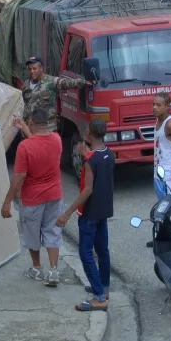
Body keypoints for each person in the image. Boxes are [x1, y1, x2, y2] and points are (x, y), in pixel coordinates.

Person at [56, 118, 113, 312]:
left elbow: (87, 190)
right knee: (103, 251)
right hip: (103, 210)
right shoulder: (107, 154)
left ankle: (99, 297)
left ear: (89, 135)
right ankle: (104, 288)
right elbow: (98, 165)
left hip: (89, 213)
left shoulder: (90, 161)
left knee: (86, 253)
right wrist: (86, 154)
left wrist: (67, 213)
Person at [2, 108, 64, 287]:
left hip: (32, 198)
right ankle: (54, 270)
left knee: (32, 234)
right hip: (54, 195)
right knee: (52, 231)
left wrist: (7, 201)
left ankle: (37, 268)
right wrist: (25, 128)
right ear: (46, 123)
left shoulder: (24, 147)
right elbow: (39, 142)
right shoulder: (56, 140)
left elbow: (19, 177)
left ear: (31, 122)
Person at [22, 56, 88, 133]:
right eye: (30, 69)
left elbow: (66, 83)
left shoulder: (51, 81)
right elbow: (26, 104)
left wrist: (83, 82)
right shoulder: (26, 84)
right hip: (30, 128)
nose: (32, 71)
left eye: (34, 68)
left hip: (46, 128)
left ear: (41, 68)